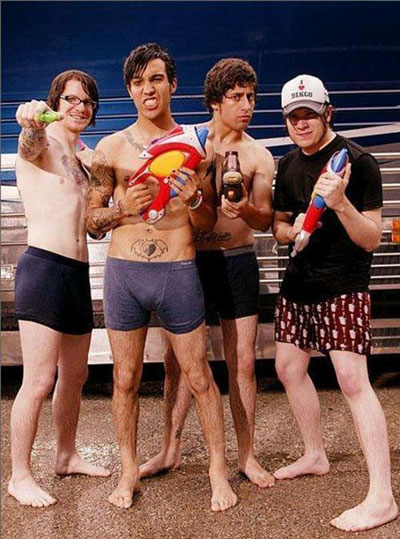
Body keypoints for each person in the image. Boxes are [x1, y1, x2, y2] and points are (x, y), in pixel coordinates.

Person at [86, 43, 237, 512]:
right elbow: (91, 222)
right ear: (129, 91)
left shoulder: (199, 146)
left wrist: (194, 200)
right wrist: (120, 209)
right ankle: (128, 471)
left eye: (155, 78)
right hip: (125, 274)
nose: (147, 89)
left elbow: (208, 223)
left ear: (172, 83)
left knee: (199, 376)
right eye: (138, 82)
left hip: (178, 270)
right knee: (125, 379)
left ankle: (217, 473)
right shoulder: (110, 149)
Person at [140, 58, 275, 489]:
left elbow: (265, 218)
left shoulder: (259, 155)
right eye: (236, 97)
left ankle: (247, 456)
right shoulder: (187, 142)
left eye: (250, 97)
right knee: (177, 363)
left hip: (237, 260)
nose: (246, 105)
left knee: (243, 362)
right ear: (216, 101)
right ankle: (170, 448)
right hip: (189, 261)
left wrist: (246, 210)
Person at [272, 74, 398, 532]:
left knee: (352, 381)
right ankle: (315, 454)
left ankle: (382, 497)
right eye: (293, 116)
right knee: (289, 368)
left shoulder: (358, 163)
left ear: (328, 112)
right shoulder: (287, 165)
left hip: (343, 284)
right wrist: (291, 231)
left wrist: (341, 204)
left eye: (310, 113)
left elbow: (371, 239)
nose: (301, 123)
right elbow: (278, 225)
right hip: (298, 285)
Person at [8, 70, 110, 508]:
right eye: (71, 99)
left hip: (76, 273)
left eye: (87, 102)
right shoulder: (42, 143)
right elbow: (29, 142)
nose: (79, 107)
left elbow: (95, 225)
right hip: (44, 269)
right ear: (55, 103)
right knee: (38, 380)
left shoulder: (87, 160)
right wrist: (31, 121)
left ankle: (66, 455)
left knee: (75, 376)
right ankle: (19, 476)